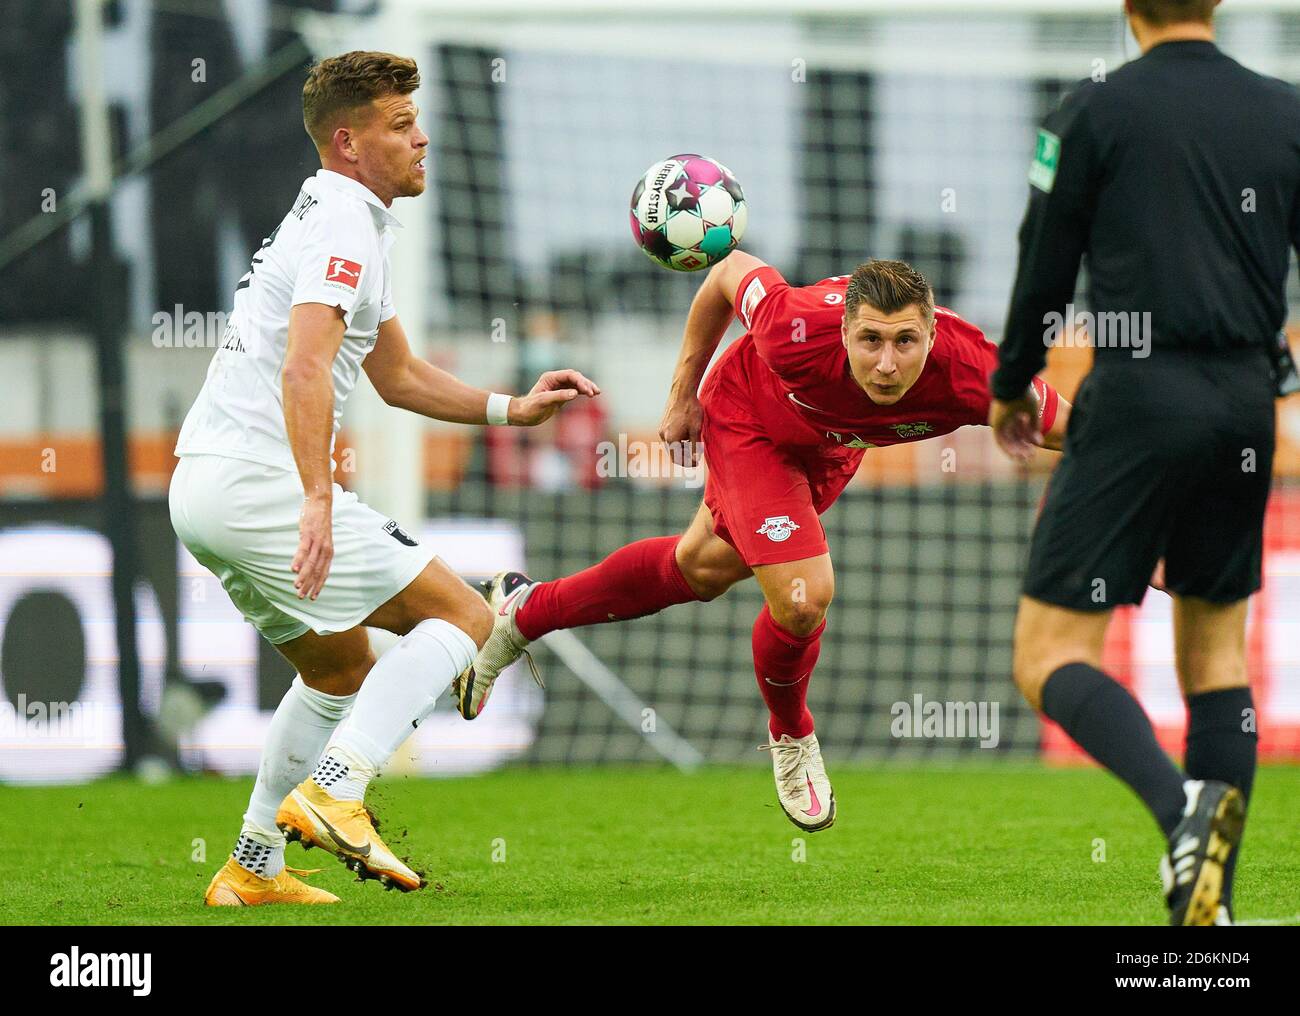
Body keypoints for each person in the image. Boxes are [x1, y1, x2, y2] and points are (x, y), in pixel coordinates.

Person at [169, 51, 597, 905]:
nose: (421, 138)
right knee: (469, 617)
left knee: (337, 672)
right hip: (260, 481)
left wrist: (513, 408)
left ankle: (251, 868)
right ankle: (335, 790)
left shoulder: (347, 218)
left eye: (416, 120)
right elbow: (304, 370)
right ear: (348, 140)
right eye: (400, 126)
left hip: (203, 487)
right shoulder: (340, 227)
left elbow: (397, 376)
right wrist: (318, 498)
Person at [456, 250, 1068, 832]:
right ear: (845, 333)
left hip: (831, 449)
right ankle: (793, 734)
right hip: (748, 415)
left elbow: (1086, 433)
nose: (887, 364)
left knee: (699, 570)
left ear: (932, 337)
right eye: (870, 341)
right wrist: (682, 393)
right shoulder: (793, 325)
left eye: (906, 342)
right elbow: (727, 271)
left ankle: (522, 612)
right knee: (802, 597)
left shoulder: (979, 373)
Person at [989, 0, 1300, 925]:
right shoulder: (1287, 112)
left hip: (1136, 396)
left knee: (1047, 655)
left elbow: (1040, 266)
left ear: (1129, 10)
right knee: (1215, 657)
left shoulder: (1091, 112)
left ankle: (1180, 819)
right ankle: (1209, 911)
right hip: (1248, 403)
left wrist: (1011, 385)